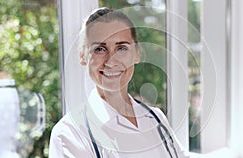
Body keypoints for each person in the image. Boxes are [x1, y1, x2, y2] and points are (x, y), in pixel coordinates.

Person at [49, 7, 190, 158]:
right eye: (100, 49)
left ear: (137, 54)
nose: (111, 61)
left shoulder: (155, 118)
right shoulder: (70, 133)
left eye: (121, 48)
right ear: (83, 56)